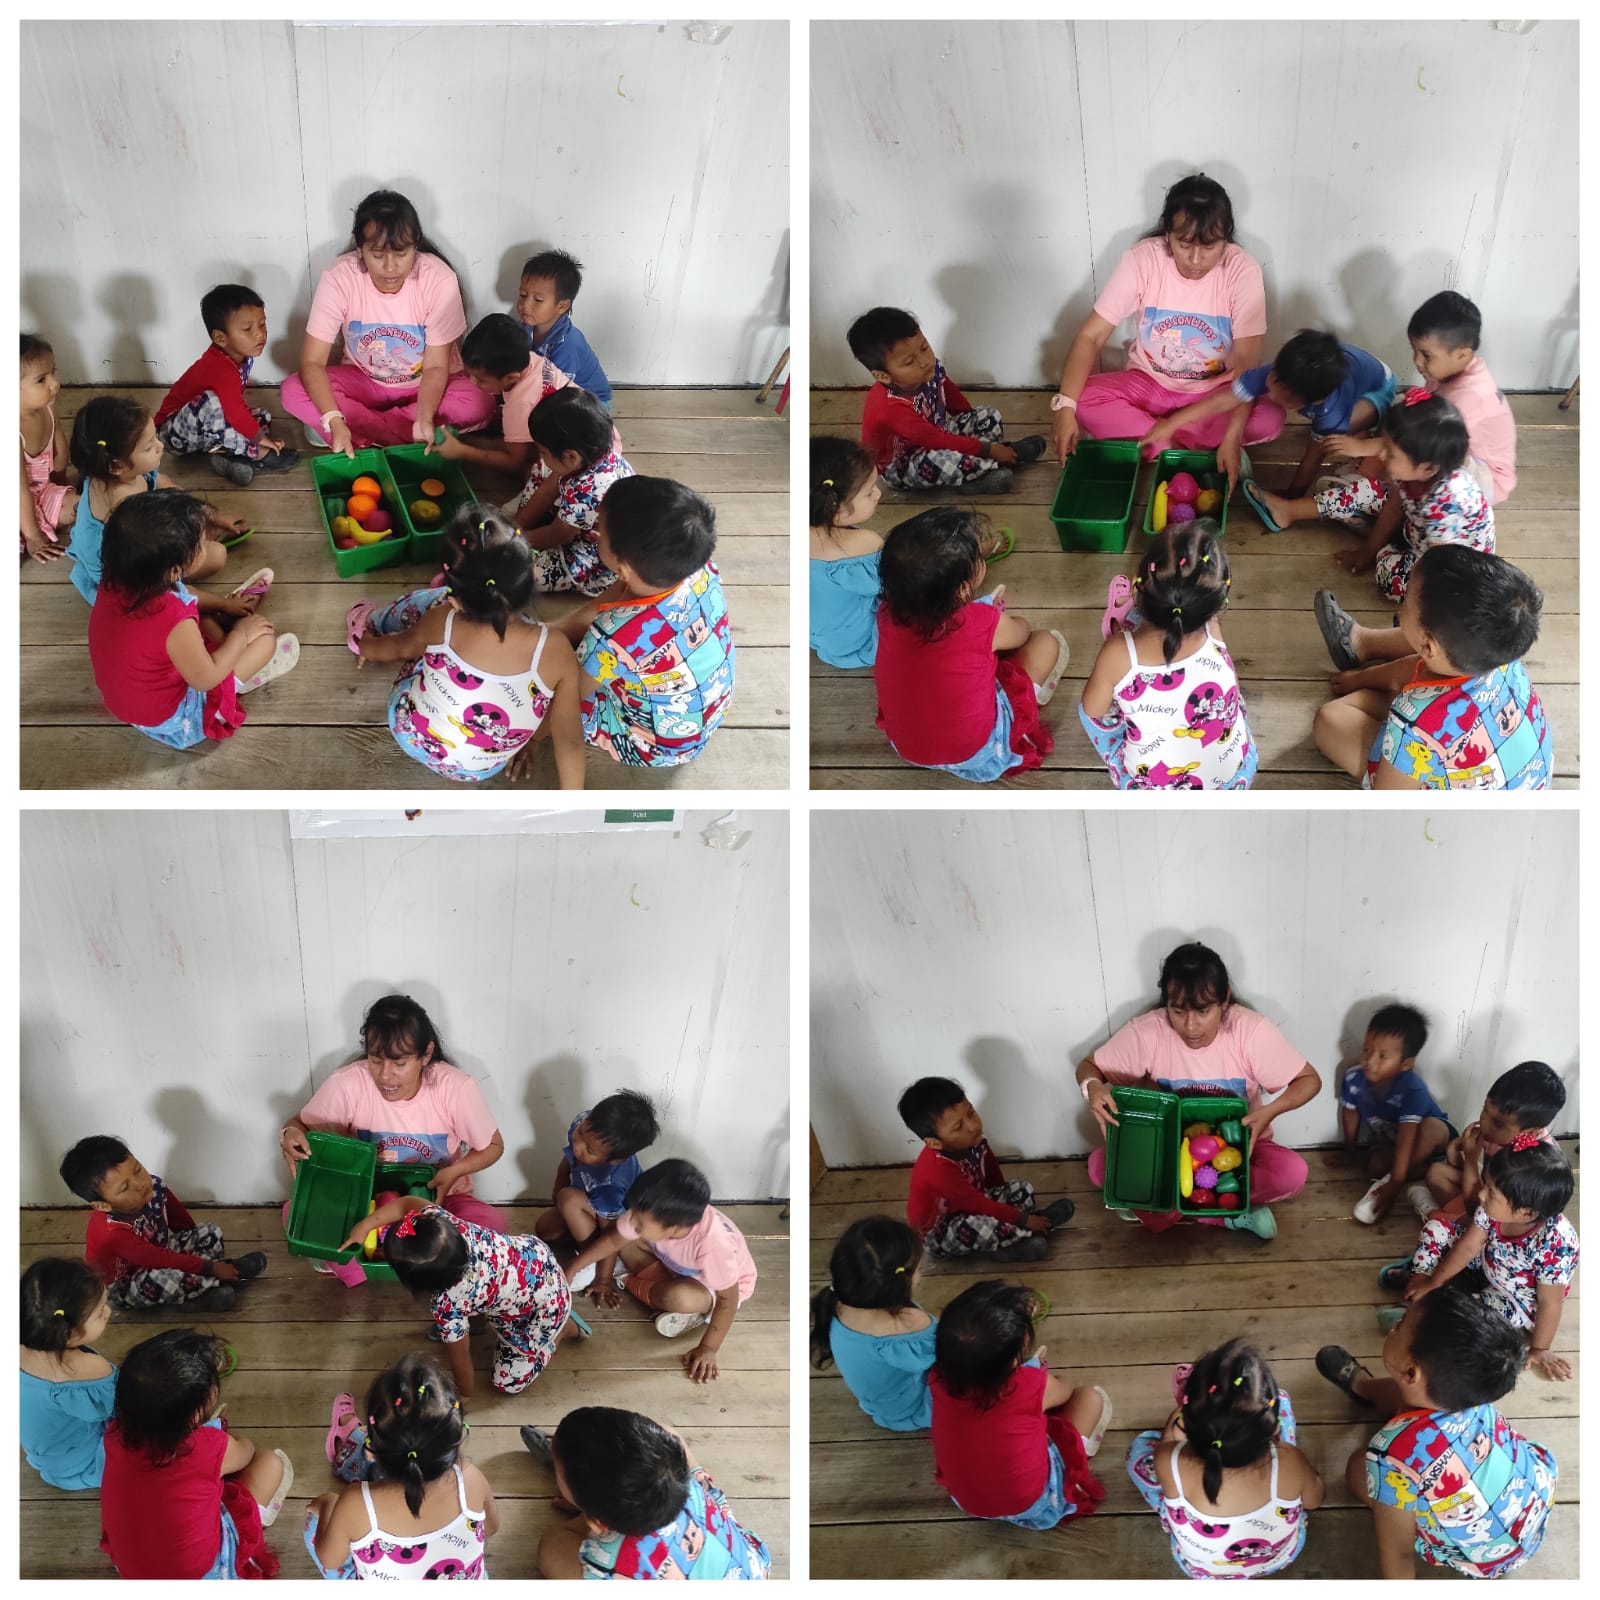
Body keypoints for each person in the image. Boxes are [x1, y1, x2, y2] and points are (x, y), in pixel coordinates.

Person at [1076, 942, 1323, 1240]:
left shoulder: (1250, 1031)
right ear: (1166, 1002)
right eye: (1178, 1011)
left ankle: (1160, 1205)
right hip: (1168, 1152)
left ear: (1224, 999)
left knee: (1292, 1174)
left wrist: (1269, 1112)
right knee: (1098, 1167)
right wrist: (1093, 1088)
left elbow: (1309, 1079)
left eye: (1203, 1011)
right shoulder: (1149, 1032)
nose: (1190, 1027)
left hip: (1242, 1148)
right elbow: (1089, 1066)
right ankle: (1227, 1216)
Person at [1051, 174, 1282, 476]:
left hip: (1215, 393)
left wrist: (1232, 435)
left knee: (1270, 417)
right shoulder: (1143, 259)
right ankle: (1184, 445)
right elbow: (1091, 336)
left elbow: (1246, 368)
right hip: (1150, 386)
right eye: (1184, 244)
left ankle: (1159, 443)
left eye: (1210, 246)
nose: (1196, 260)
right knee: (1081, 398)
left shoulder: (1242, 270)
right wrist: (1065, 406)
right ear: (1168, 234)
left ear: (1226, 238)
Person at [1317, 1293, 1557, 1579]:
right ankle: (1365, 1388)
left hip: (1483, 1555)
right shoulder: (1474, 1389)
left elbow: (1398, 1554)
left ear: (1410, 1371)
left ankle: (1365, 1389)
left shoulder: (1388, 1457)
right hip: (1532, 1503)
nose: (1394, 1326)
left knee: (1357, 1471)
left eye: (1400, 1325)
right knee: (1415, 1397)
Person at [350, 511, 586, 786]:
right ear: (533, 575)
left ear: (457, 602)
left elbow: (400, 648)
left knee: (429, 612)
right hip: (478, 769)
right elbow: (570, 740)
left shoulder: (444, 620)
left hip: (411, 732)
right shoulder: (557, 651)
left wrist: (367, 645)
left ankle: (375, 620)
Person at [1312, 545, 1552, 790]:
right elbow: (1417, 664)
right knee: (1436, 646)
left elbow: (1389, 795)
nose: (1400, 606)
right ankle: (1365, 649)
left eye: (1405, 600)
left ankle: (1374, 661)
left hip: (1445, 790)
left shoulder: (1414, 725)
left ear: (1428, 648)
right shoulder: (1499, 648)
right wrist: (1361, 678)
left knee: (1328, 720)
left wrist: (1394, 713)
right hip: (1529, 779)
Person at [281, 189, 494, 452]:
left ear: (416, 244)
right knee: (292, 390)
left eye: (402, 254)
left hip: (426, 387)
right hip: (365, 382)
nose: (390, 267)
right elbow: (312, 361)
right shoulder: (339, 277)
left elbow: (435, 367)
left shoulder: (438, 279)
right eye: (378, 255)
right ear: (359, 248)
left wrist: (424, 416)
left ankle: (363, 434)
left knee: (478, 401)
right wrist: (334, 418)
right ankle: (395, 434)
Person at [280, 993, 510, 1235]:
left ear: (426, 1054)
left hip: (441, 1201)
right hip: (364, 1200)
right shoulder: (347, 1084)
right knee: (297, 1215)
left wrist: (453, 1172)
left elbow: (493, 1145)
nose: (385, 1076)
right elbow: (300, 1125)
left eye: (399, 1063)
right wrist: (290, 1134)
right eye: (376, 1060)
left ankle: (387, 1248)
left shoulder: (455, 1087)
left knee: (489, 1224)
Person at [544, 476, 735, 769]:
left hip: (652, 747)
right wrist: (548, 634)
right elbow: (605, 603)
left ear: (622, 568)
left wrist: (532, 738)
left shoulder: (611, 638)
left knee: (550, 687)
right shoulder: (699, 569)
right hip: (707, 711)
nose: (595, 531)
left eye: (600, 531)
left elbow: (568, 701)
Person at [872, 507, 1067, 781]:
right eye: (978, 556)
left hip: (909, 748)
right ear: (963, 589)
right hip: (979, 751)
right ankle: (1027, 704)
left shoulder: (886, 614)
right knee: (1046, 643)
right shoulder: (980, 620)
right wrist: (1003, 618)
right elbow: (1021, 633)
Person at [87, 492, 294, 750]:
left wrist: (223, 604)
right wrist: (241, 634)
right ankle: (239, 676)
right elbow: (205, 679)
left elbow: (185, 595)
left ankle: (225, 639)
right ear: (174, 570)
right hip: (175, 720)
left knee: (200, 613)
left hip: (130, 702)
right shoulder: (174, 619)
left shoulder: (121, 577)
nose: (206, 542)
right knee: (265, 641)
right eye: (201, 543)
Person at [1260, 392, 1493, 613]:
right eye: (1385, 447)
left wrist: (1380, 555)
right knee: (1366, 489)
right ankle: (1289, 511)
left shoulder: (1447, 506)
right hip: (1416, 531)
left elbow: (1438, 568)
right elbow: (1393, 508)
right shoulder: (1413, 472)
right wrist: (1368, 552)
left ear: (1428, 468)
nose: (1381, 455)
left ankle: (1380, 537)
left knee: (1389, 573)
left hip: (1447, 567)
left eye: (1390, 453)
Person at [99, 1329, 292, 1579]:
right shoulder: (208, 1445)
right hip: (202, 1574)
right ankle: (251, 1530)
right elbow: (246, 1451)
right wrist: (225, 1439)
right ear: (195, 1414)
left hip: (132, 1570)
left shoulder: (114, 1435)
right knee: (271, 1463)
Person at [1379, 1137, 1578, 1379]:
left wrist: (1540, 1348)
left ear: (1526, 1213)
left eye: (1491, 1192)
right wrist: (1433, 1282)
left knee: (1472, 1318)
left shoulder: (1556, 1243)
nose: (1481, 1195)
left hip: (1514, 1300)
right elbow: (1469, 1245)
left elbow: (1550, 1302)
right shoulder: (1493, 1208)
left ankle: (1420, 1314)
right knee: (1437, 1228)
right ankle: (1420, 1278)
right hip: (1489, 1262)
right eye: (1486, 1185)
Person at [1079, 519, 1256, 789]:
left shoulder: (1117, 651)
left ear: (1137, 586)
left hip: (1156, 789)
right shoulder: (1212, 627)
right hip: (1234, 778)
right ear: (1216, 606)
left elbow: (1093, 709)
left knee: (1089, 710)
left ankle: (1127, 618)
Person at [1125, 1340, 1322, 1578]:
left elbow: (1168, 1441)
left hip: (1201, 1570)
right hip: (1279, 1557)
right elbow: (1314, 1501)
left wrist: (1181, 1412)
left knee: (1140, 1449)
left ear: (1188, 1426)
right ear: (1271, 1431)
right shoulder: (1289, 1461)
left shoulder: (1170, 1460)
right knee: (1282, 1399)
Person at [356, 1196, 584, 1398]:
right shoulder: (443, 1225)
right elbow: (406, 1203)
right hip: (536, 1259)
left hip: (541, 1313)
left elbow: (461, 1358)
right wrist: (364, 1226)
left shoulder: (447, 1305)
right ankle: (479, 1319)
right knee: (480, 1295)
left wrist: (464, 1393)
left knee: (506, 1383)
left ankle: (563, 1330)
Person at [930, 1280, 1110, 1529]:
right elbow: (1065, 1389)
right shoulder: (1028, 1384)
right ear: (1014, 1360)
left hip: (968, 1502)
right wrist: (1040, 1371)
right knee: (1090, 1398)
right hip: (1035, 1503)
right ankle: (1079, 1455)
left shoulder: (937, 1380)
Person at [306, 1352, 498, 1579]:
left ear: (370, 1451)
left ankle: (351, 1449)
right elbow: (491, 1527)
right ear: (457, 1439)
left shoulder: (354, 1503)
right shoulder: (469, 1477)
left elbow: (330, 1560)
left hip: (367, 1515)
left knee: (313, 1525)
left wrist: (328, 1506)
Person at [562, 1159, 757, 1382]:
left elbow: (728, 1300)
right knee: (621, 1241)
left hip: (714, 1288)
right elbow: (613, 1241)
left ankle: (633, 1280)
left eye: (640, 1221)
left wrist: (708, 1348)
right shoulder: (652, 1214)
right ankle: (633, 1276)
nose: (632, 1219)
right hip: (676, 1266)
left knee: (675, 1298)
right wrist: (572, 1268)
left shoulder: (713, 1245)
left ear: (673, 1229)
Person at [1146, 328, 1395, 498]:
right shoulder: (1278, 372)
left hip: (1377, 389)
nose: (1272, 394)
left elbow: (1315, 454)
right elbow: (1224, 400)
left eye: (1286, 398)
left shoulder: (1332, 408)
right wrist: (1172, 423)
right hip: (1356, 372)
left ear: (1316, 400)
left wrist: (1293, 494)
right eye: (1273, 381)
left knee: (1331, 439)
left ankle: (1363, 435)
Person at [525, 1407, 770, 1578]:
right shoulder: (675, 1474)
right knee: (668, 1434)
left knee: (552, 1549)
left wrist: (586, 1513)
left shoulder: (615, 1563)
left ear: (599, 1522)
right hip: (751, 1570)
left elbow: (556, 1544)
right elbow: (668, 1434)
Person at [65, 395, 240, 606]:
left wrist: (212, 517)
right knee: (216, 556)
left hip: (144, 549)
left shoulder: (116, 472)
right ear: (117, 465)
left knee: (208, 545)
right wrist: (223, 604)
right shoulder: (127, 518)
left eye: (155, 437)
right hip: (126, 578)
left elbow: (164, 483)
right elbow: (166, 587)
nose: (160, 446)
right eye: (149, 446)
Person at [59, 1134, 267, 1311]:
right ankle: (205, 1290)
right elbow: (157, 1259)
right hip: (126, 1284)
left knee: (210, 1231)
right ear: (103, 1205)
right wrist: (210, 1267)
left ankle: (205, 1284)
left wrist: (197, 1254)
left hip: (160, 1254)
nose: (140, 1184)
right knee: (165, 1279)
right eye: (125, 1188)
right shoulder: (113, 1232)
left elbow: (182, 1224)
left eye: (137, 1169)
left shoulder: (154, 1186)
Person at [850, 305, 1045, 492]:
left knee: (989, 415)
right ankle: (1001, 460)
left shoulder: (928, 369)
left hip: (938, 433)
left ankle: (982, 468)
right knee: (944, 461)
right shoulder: (891, 408)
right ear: (883, 376)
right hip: (905, 464)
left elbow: (950, 393)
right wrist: (989, 449)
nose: (924, 361)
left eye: (924, 348)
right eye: (909, 362)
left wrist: (971, 425)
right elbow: (935, 440)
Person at [899, 1076, 1074, 1263]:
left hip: (974, 1205)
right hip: (943, 1231)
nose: (973, 1126)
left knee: (1023, 1189)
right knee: (979, 1227)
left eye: (971, 1113)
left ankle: (1020, 1232)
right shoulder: (938, 1170)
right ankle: (1018, 1239)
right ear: (935, 1143)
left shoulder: (973, 1141)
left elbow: (991, 1174)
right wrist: (1024, 1219)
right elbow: (978, 1205)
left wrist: (1005, 1204)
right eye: (958, 1127)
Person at [153, 284, 299, 485]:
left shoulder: (240, 358)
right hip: (172, 433)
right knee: (214, 403)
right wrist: (261, 440)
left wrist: (254, 431)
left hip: (203, 432)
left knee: (261, 416)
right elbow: (234, 413)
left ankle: (225, 456)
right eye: (247, 329)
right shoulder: (220, 367)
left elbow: (233, 407)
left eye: (262, 324)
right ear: (220, 338)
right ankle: (259, 453)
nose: (260, 334)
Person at [809, 1215, 936, 1431]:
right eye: (919, 1269)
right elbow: (952, 1354)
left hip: (877, 1403)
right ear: (901, 1279)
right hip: (912, 1409)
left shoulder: (836, 1303)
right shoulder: (910, 1325)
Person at [534, 1091, 660, 1301]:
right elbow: (567, 1162)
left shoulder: (610, 1183)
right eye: (581, 1133)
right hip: (588, 1205)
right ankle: (586, 1249)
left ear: (615, 1160)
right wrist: (560, 1193)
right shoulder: (584, 1122)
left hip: (618, 1226)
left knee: (568, 1199)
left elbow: (611, 1231)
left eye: (590, 1151)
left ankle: (596, 1263)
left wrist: (603, 1281)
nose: (578, 1146)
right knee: (546, 1229)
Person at [1337, 1003, 1454, 1224]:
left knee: (1431, 1128)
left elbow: (1409, 1136)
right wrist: (1349, 1150)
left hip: (1432, 1142)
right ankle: (1428, 1171)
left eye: (1383, 1056)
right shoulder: (1353, 1079)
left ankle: (1411, 1172)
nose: (1370, 1061)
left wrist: (1394, 1184)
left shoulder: (1413, 1090)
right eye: (1367, 1050)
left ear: (1405, 1063)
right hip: (1397, 1147)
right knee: (1375, 1166)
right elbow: (1350, 1113)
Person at [518, 386, 636, 592]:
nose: (540, 455)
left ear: (571, 456)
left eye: (543, 451)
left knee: (522, 574)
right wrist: (518, 525)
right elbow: (548, 488)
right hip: (574, 518)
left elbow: (556, 535)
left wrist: (515, 540)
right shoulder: (590, 453)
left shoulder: (588, 491)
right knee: (541, 470)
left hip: (594, 552)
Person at [428, 311, 572, 476]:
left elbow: (513, 462)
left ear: (510, 378)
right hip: (574, 425)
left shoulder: (520, 405)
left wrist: (461, 451)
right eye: (470, 375)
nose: (472, 382)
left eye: (480, 379)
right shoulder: (529, 359)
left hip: (569, 462)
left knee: (528, 473)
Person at [1407, 290, 1516, 504]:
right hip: (1468, 455)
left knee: (1411, 455)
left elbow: (1425, 437)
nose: (1417, 362)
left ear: (1462, 355)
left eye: (1426, 355)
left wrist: (1370, 447)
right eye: (1414, 350)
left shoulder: (1469, 396)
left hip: (1487, 481)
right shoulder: (1451, 371)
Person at [19, 1257, 118, 1489]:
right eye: (100, 1312)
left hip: (48, 1458)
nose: (108, 1312)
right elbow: (123, 1406)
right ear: (67, 1333)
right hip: (86, 1463)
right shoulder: (90, 1369)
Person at [1425, 1060, 1566, 1218]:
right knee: (1436, 1173)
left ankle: (1439, 1214)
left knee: (1471, 1217)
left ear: (1531, 1133)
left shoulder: (1532, 1165)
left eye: (1498, 1123)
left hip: (1505, 1214)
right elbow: (1482, 1184)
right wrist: (1455, 1154)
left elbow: (1483, 1209)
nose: (1485, 1124)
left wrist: (1470, 1161)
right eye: (1485, 1109)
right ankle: (1450, 1215)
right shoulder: (1498, 1133)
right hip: (1490, 1191)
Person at [809, 436, 885, 667]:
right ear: (837, 509)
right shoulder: (867, 543)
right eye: (870, 492)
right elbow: (897, 584)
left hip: (818, 637)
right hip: (861, 641)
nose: (878, 494)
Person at [516, 248, 612, 407]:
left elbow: (558, 392)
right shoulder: (526, 326)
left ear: (562, 306)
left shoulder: (568, 344)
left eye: (538, 300)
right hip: (549, 390)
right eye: (523, 295)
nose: (525, 305)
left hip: (588, 403)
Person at [19, 332, 78, 560]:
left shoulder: (46, 407)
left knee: (81, 506)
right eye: (41, 380)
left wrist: (61, 486)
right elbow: (18, 490)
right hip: (16, 501)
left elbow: (60, 451)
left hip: (41, 490)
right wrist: (33, 536)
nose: (54, 383)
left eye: (53, 371)